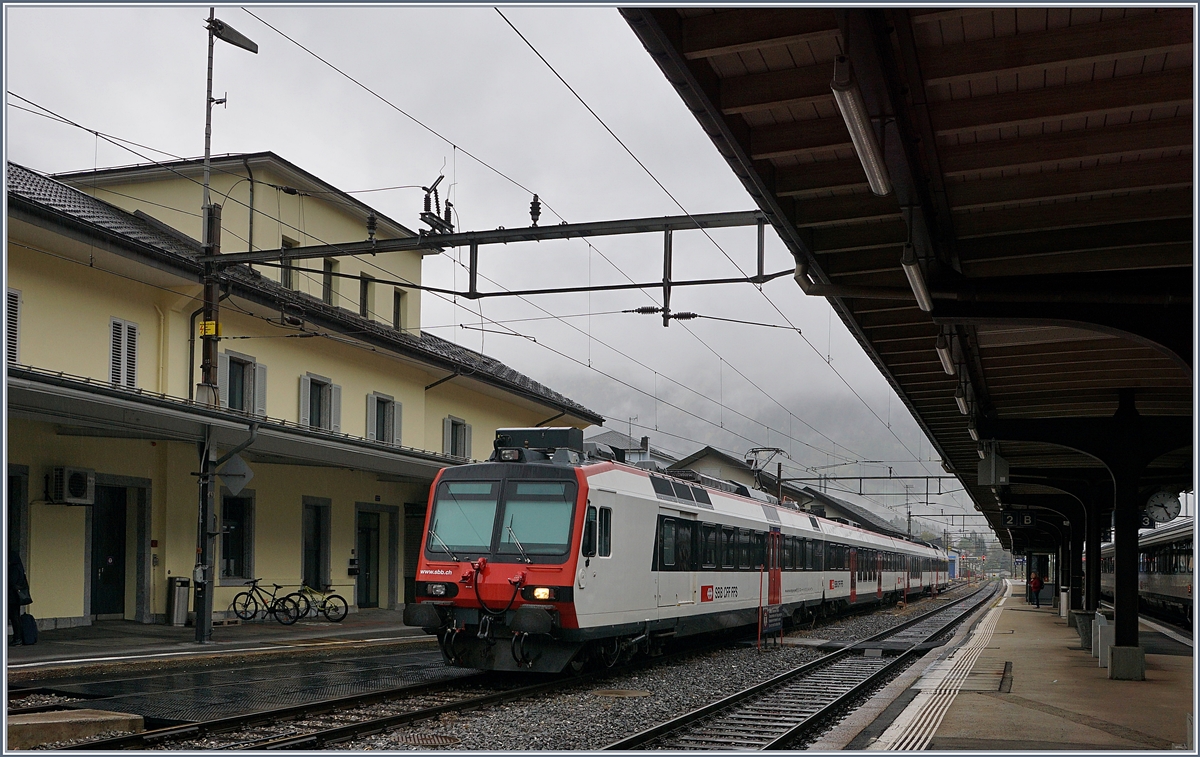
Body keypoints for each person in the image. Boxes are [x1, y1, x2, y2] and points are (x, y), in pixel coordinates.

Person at [8, 551, 30, 646]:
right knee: (15, 617)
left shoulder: (13, 568)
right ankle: (18, 638)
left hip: (12, 597)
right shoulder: (20, 568)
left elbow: (11, 582)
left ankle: (17, 638)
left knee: (14, 617)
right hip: (16, 597)